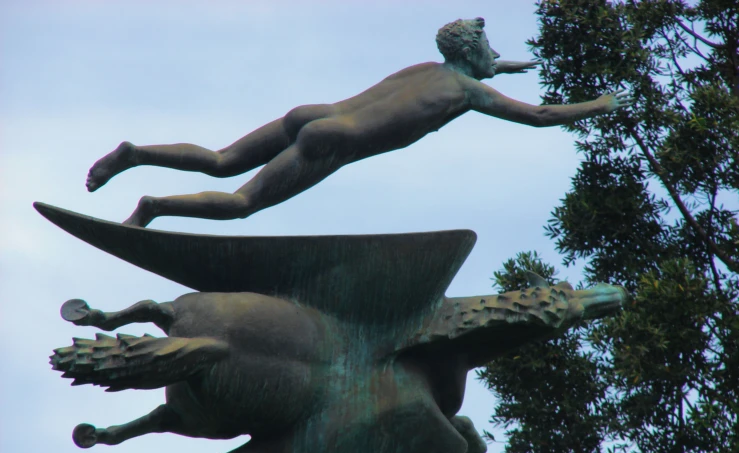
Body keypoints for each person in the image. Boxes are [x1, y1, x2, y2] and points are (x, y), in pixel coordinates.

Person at [85, 17, 633, 227]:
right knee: (241, 204)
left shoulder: (430, 69)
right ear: (474, 53)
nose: (496, 55)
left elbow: (477, 67)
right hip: (333, 142)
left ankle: (135, 154)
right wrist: (599, 105)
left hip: (315, 113)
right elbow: (538, 116)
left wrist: (502, 64)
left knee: (220, 161)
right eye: (491, 48)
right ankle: (151, 210)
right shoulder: (468, 93)